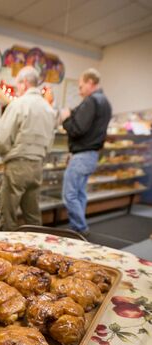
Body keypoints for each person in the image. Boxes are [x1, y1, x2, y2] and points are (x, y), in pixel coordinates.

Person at [0, 66, 56, 231]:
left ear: (24, 83)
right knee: (33, 214)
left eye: (17, 85)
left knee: (8, 214)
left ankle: (7, 252)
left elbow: (2, 139)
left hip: (17, 165)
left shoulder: (18, 105)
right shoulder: (49, 109)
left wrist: (7, 155)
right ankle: (36, 250)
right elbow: (50, 142)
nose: (17, 89)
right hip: (37, 165)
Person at [61, 68, 112, 234]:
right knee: (80, 193)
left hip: (82, 155)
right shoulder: (105, 102)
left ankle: (80, 229)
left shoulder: (92, 101)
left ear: (90, 83)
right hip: (92, 155)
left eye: (81, 86)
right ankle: (79, 227)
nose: (79, 90)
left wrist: (66, 118)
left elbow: (77, 129)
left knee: (69, 195)